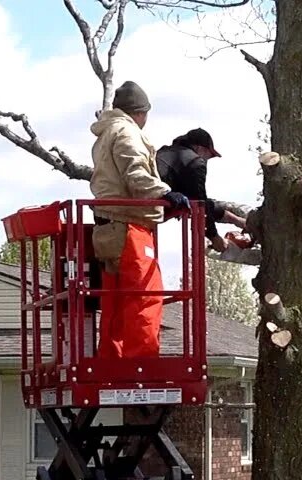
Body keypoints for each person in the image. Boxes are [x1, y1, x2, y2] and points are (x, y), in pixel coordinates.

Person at [89, 80, 189, 359]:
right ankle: (142, 362)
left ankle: (113, 359)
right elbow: (135, 174)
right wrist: (166, 194)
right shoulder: (126, 133)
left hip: (108, 226)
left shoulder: (105, 134)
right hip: (128, 225)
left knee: (116, 302)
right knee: (145, 296)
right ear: (140, 112)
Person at [156, 128, 250, 253]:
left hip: (147, 201)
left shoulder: (165, 152)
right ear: (200, 149)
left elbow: (198, 201)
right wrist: (214, 237)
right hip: (155, 206)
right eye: (209, 156)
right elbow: (199, 205)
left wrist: (235, 220)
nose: (207, 161)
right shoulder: (195, 162)